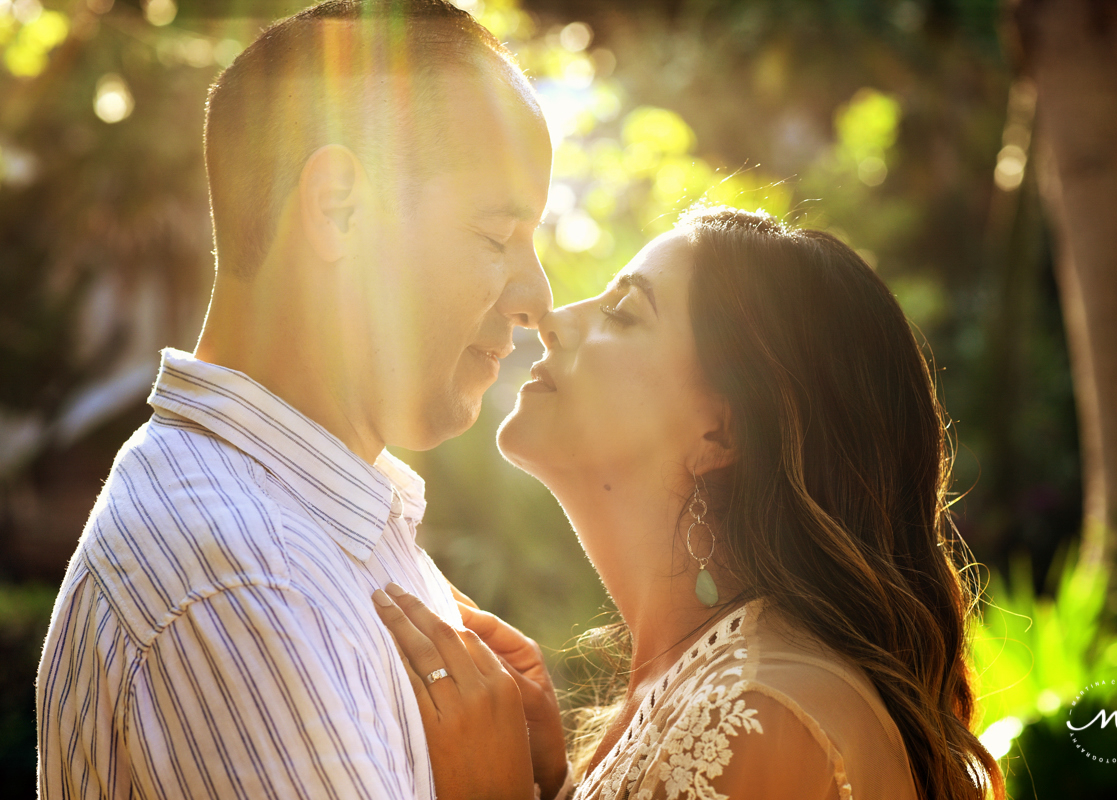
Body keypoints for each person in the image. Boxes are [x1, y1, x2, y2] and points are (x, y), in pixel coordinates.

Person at [35, 1, 560, 798]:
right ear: (338, 208)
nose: (536, 299)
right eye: (496, 236)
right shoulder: (247, 587)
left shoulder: (328, 526)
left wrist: (542, 778)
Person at [371, 206, 1006, 799]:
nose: (554, 320)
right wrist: (552, 779)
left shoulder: (758, 713)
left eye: (624, 313)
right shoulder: (707, 686)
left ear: (721, 433)